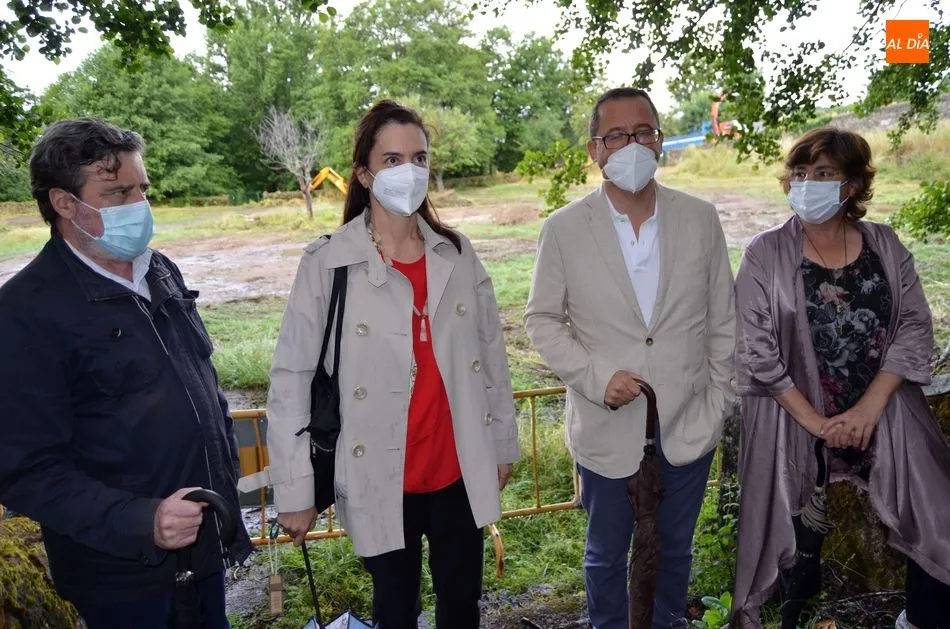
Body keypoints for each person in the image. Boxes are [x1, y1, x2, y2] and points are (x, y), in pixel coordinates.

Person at [242, 100, 519, 629]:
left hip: (457, 467)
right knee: (395, 607)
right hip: (378, 473)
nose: (408, 171)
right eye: (392, 160)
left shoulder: (456, 254)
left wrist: (502, 444)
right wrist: (294, 491)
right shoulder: (328, 261)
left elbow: (491, 357)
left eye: (419, 158)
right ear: (364, 174)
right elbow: (291, 379)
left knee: (462, 604)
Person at [0, 118, 251, 628]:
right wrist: (144, 522)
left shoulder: (159, 270)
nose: (139, 205)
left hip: (202, 548)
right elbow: (24, 471)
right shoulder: (25, 311)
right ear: (64, 203)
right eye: (117, 193)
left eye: (143, 189)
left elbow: (200, 386)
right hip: (123, 579)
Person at [524, 87, 737, 629]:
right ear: (595, 150)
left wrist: (717, 404)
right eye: (616, 135)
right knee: (605, 555)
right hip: (606, 425)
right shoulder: (564, 229)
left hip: (687, 423)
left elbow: (723, 321)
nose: (633, 145)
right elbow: (542, 319)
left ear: (660, 141)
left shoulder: (700, 218)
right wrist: (597, 379)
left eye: (643, 132)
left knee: (674, 552)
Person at [731, 127, 950, 628]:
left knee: (937, 512)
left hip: (884, 409)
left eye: (823, 173)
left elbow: (915, 325)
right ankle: (793, 618)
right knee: (788, 534)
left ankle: (923, 619)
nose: (806, 183)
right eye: (799, 173)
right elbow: (756, 350)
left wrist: (868, 409)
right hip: (793, 418)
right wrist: (819, 425)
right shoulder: (765, 253)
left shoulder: (885, 244)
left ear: (851, 185)